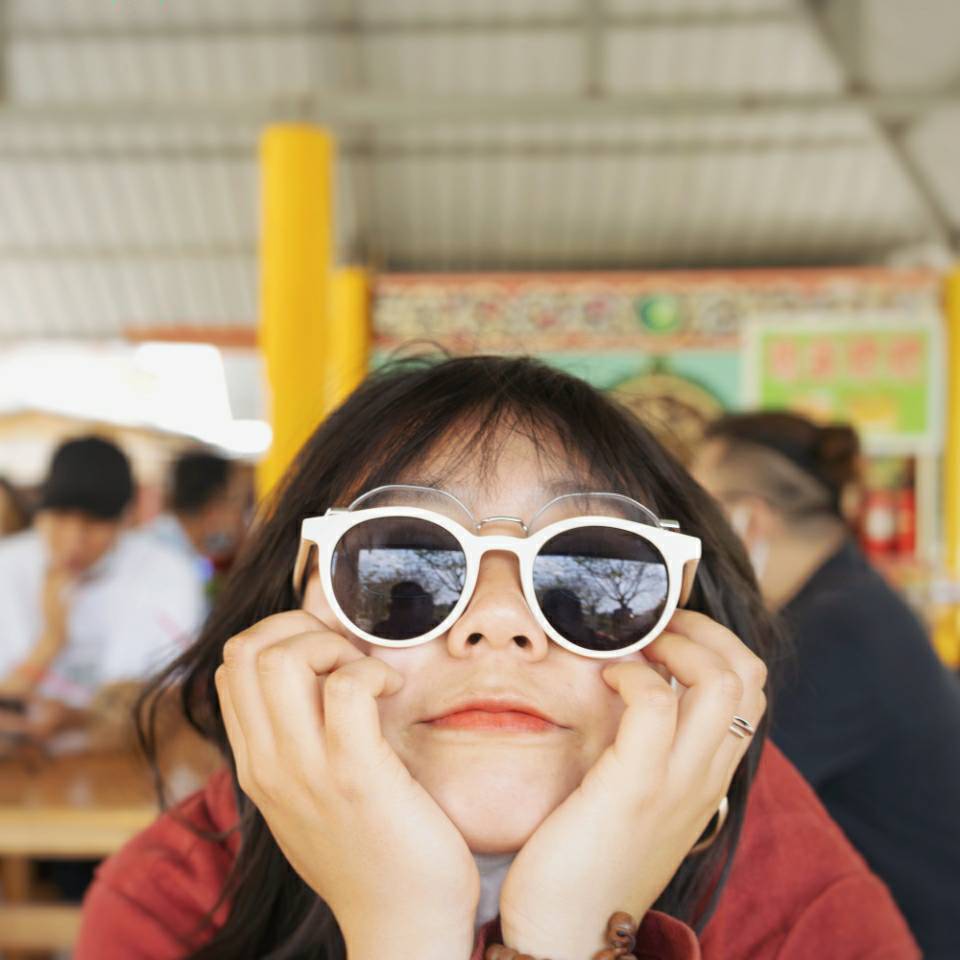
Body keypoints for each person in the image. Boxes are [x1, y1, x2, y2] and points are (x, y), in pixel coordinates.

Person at [76, 358, 918, 960]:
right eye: (405, 563)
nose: (500, 623)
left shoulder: (783, 875)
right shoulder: (171, 899)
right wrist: (405, 931)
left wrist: (578, 937)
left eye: (590, 568)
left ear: (683, 643)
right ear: (292, 621)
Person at [691, 411, 960, 960]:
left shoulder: (839, 628)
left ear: (748, 520)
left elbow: (714, 795)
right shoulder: (846, 597)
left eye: (695, 513)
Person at [0, 436, 206, 744]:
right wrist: (51, 640)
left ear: (126, 518)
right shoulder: (8, 566)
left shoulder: (168, 573)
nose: (74, 540)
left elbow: (175, 699)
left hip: (127, 761)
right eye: (60, 518)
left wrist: (77, 719)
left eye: (94, 522)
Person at [149, 449, 251, 585]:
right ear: (216, 503)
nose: (240, 516)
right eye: (236, 501)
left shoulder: (166, 545)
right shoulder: (173, 567)